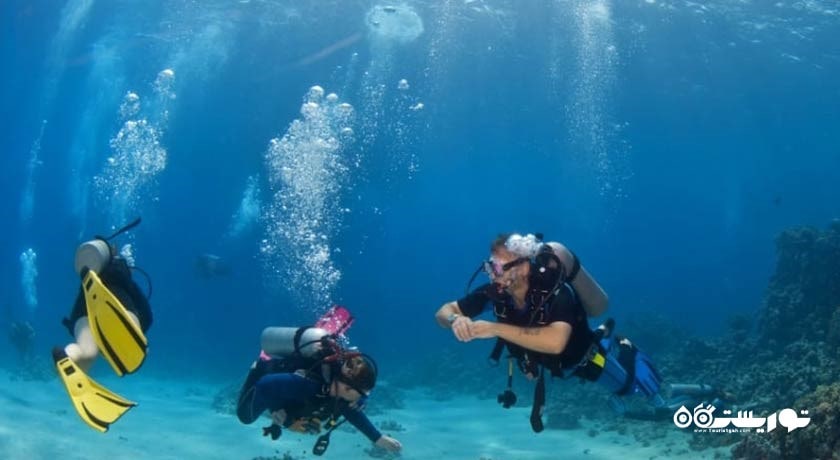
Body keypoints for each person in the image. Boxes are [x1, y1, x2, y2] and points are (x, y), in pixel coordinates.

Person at [435, 232, 717, 431]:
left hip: (584, 359)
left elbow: (556, 342)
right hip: (554, 366)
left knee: (629, 387)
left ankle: (659, 372)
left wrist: (493, 328)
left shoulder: (555, 294)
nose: (490, 274)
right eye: (488, 266)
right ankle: (610, 336)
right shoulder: (495, 294)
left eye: (495, 267)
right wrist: (455, 321)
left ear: (520, 267)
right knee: (621, 386)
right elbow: (444, 310)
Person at [237, 325, 402, 456]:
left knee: (317, 408)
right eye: (360, 394)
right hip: (267, 378)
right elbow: (266, 385)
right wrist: (285, 420)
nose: (361, 399)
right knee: (245, 416)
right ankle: (259, 364)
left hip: (298, 393)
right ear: (345, 387)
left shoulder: (343, 391)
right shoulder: (308, 384)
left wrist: (377, 438)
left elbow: (351, 411)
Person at [53, 218, 153, 432]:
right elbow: (144, 309)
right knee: (129, 323)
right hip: (115, 301)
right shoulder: (122, 274)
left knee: (87, 352)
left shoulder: (92, 274)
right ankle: (128, 329)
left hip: (82, 310)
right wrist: (142, 331)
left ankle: (69, 356)